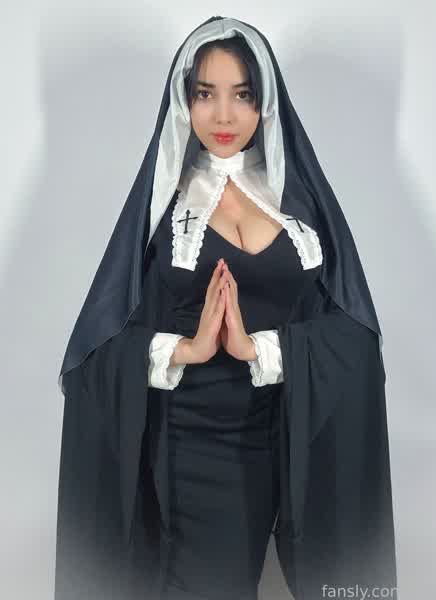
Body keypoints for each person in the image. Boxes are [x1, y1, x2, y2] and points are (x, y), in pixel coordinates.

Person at [54, 16, 398, 600]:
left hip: (275, 441)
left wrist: (258, 348)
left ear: (266, 104)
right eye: (204, 94)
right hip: (184, 443)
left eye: (242, 95)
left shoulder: (295, 205)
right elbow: (97, 349)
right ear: (183, 102)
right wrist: (185, 349)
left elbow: (354, 335)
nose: (223, 115)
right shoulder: (164, 209)